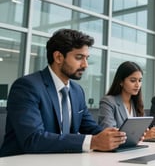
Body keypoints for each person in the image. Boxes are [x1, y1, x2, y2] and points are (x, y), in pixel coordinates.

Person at [0, 29, 126, 157]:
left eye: (86, 58)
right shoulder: (27, 87)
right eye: (79, 57)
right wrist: (93, 142)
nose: (85, 65)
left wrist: (120, 137)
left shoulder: (77, 91)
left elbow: (91, 128)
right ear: (58, 57)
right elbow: (33, 139)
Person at [98, 61, 155, 140]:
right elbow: (110, 134)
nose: (137, 85)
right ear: (121, 82)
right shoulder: (108, 102)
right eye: (133, 80)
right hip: (116, 151)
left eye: (140, 80)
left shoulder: (136, 103)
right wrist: (143, 136)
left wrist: (150, 133)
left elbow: (143, 130)